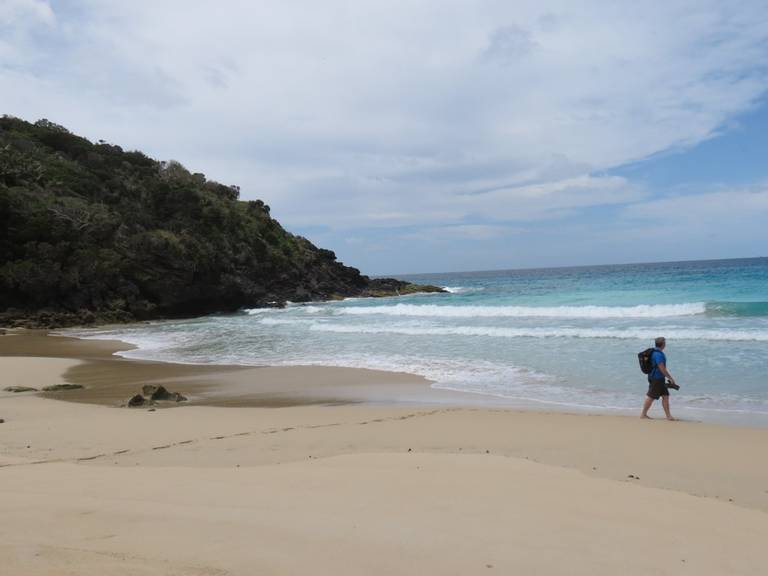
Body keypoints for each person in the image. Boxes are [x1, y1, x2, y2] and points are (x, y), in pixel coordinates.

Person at [640, 336, 677, 420]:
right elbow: (662, 368)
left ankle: (668, 416)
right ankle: (643, 414)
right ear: (663, 344)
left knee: (665, 396)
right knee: (651, 396)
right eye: (665, 343)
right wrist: (670, 378)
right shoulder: (658, 354)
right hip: (657, 378)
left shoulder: (654, 352)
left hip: (657, 377)